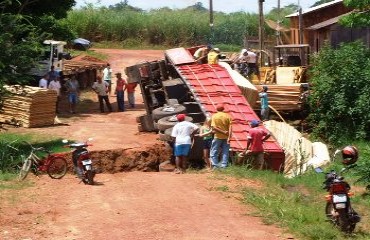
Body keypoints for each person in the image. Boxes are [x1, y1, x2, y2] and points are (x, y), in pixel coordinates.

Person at [210, 104, 232, 169]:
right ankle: (224, 166)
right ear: (223, 109)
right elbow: (230, 128)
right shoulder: (228, 116)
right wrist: (229, 137)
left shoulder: (214, 116)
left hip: (217, 137)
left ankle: (215, 166)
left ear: (216, 109)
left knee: (214, 151)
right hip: (226, 137)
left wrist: (223, 132)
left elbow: (214, 127)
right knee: (225, 151)